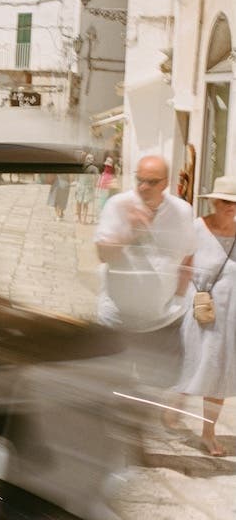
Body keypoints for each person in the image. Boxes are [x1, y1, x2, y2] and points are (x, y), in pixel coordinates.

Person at [94, 155, 195, 389]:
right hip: (118, 321)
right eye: (139, 179)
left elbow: (188, 255)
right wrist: (131, 233)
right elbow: (103, 255)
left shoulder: (182, 211)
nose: (143, 187)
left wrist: (178, 300)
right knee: (111, 390)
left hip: (161, 323)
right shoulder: (118, 205)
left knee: (158, 389)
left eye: (151, 182)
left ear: (165, 183)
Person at [172, 176, 236, 456]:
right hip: (199, 311)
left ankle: (208, 433)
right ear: (214, 202)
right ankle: (173, 409)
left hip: (231, 313)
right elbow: (184, 267)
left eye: (235, 203)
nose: (232, 208)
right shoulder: (197, 228)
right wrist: (175, 303)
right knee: (192, 364)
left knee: (221, 373)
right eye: (226, 202)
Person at [74, 153, 99, 224]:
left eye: (92, 158)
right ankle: (80, 219)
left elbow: (97, 178)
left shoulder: (94, 168)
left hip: (87, 187)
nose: (91, 160)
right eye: (89, 158)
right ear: (86, 159)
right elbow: (77, 176)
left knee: (85, 204)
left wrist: (94, 185)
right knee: (79, 203)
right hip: (81, 186)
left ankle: (83, 220)